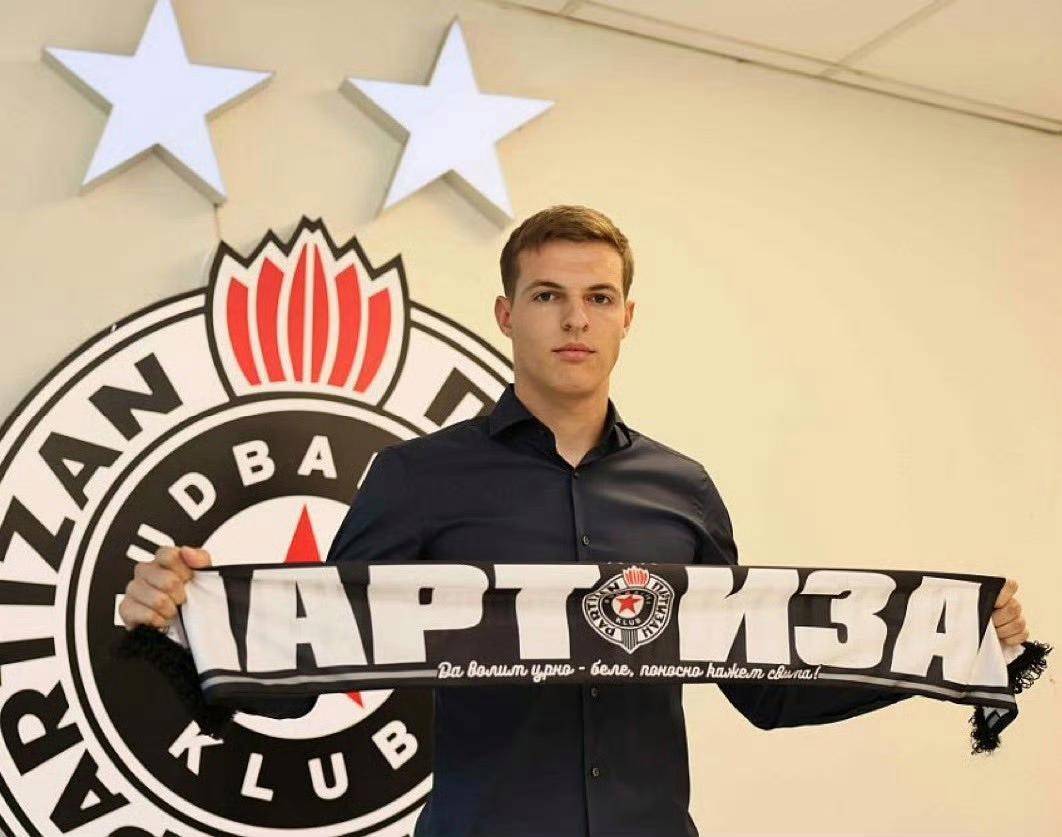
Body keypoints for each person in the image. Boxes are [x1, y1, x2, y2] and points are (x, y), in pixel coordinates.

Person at [120, 205, 1031, 837]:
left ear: (627, 317)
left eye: (598, 298)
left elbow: (765, 686)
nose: (575, 320)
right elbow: (306, 666)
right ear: (506, 313)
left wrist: (951, 642)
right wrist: (180, 626)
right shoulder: (417, 478)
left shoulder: (683, 488)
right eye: (548, 294)